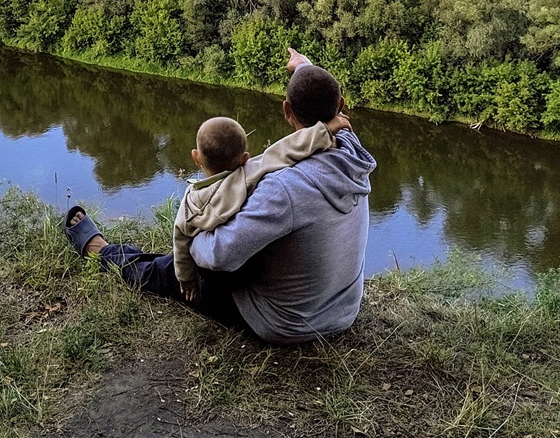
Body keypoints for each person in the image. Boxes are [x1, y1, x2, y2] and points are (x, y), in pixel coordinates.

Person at [64, 48, 376, 343]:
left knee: (173, 270)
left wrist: (195, 231)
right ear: (341, 108)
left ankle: (102, 253)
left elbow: (218, 257)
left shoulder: (283, 189)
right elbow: (322, 101)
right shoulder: (349, 146)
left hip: (288, 322)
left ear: (286, 111)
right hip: (343, 310)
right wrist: (304, 67)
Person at [173, 111, 348, 304]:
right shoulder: (248, 174)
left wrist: (185, 279)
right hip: (242, 270)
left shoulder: (191, 201)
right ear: (245, 158)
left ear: (196, 157)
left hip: (214, 267)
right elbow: (285, 150)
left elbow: (180, 240)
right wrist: (324, 130)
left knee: (165, 267)